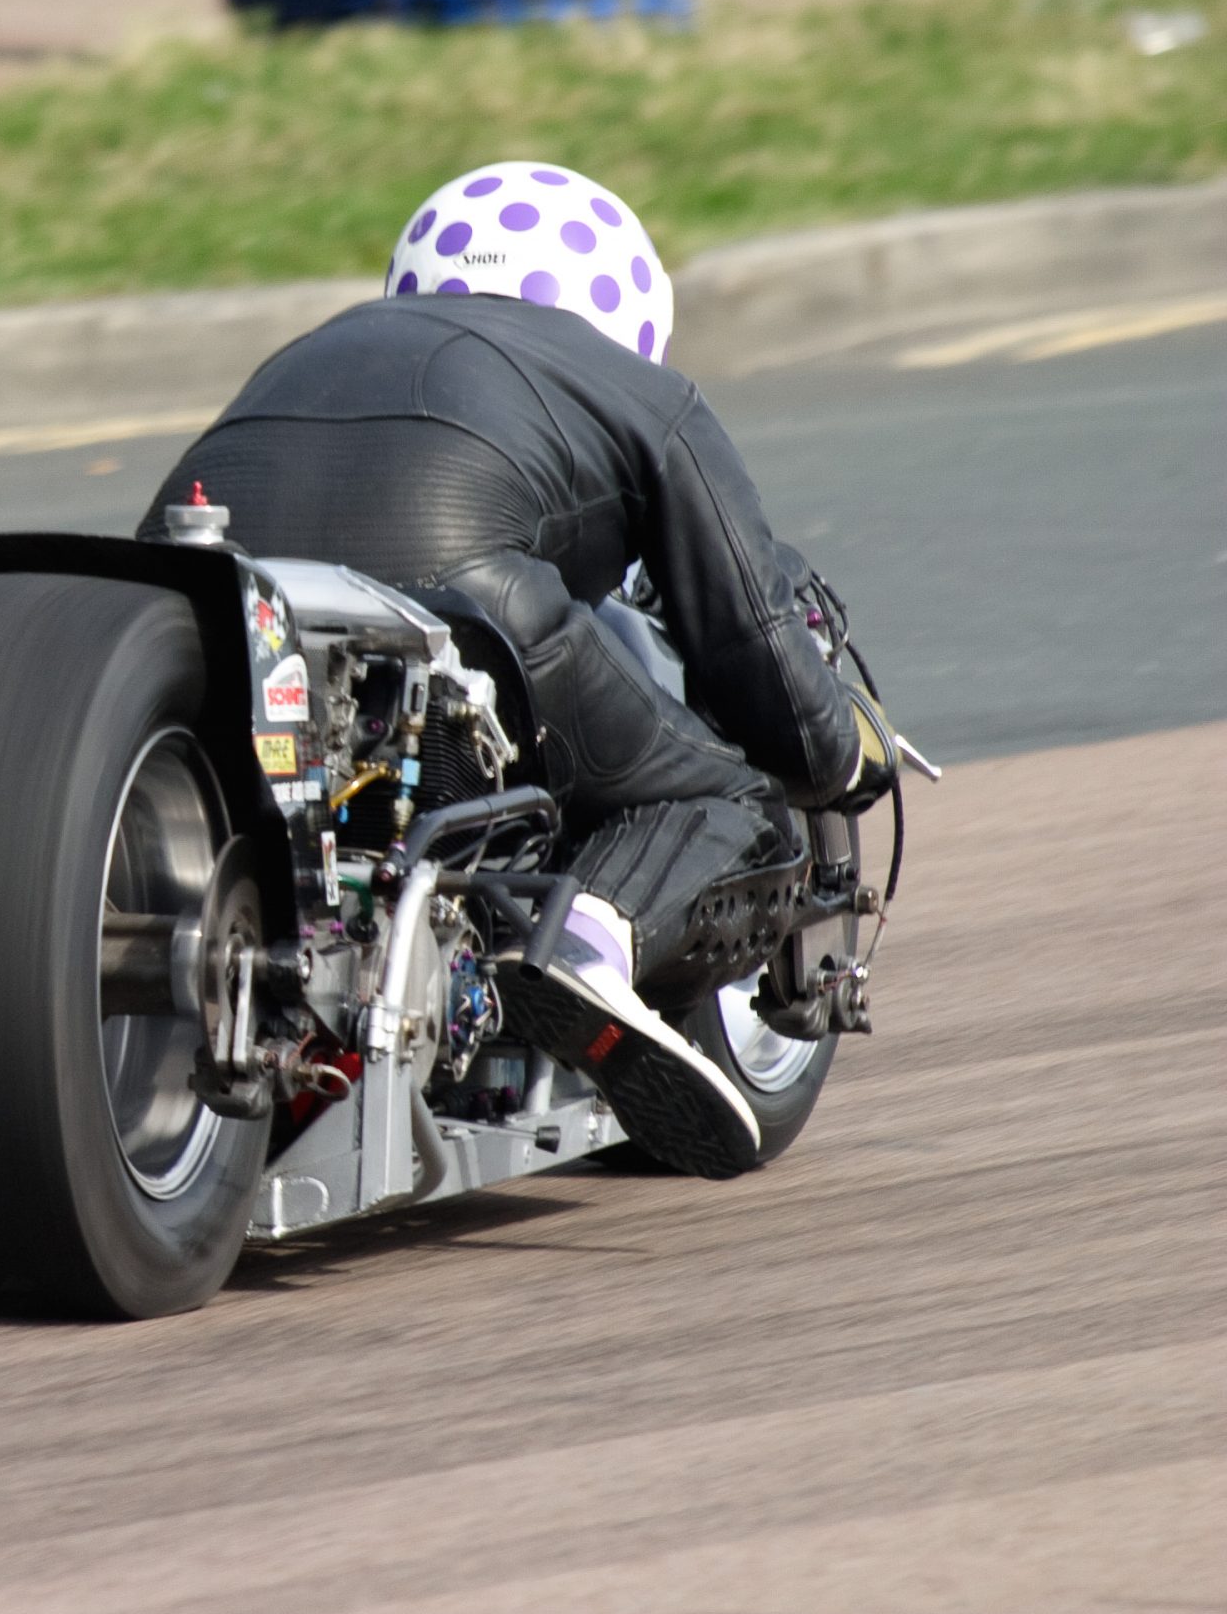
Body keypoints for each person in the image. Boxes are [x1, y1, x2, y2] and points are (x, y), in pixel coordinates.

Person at [134, 161, 890, 1179]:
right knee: (735, 801)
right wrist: (841, 758)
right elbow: (745, 637)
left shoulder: (311, 350)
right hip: (461, 597)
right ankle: (586, 942)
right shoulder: (639, 387)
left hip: (203, 601)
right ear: (620, 303)